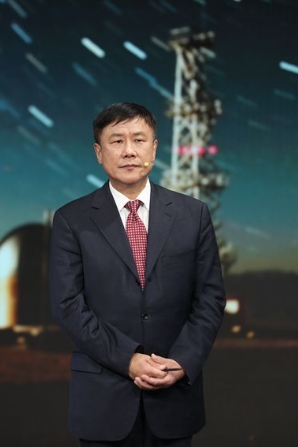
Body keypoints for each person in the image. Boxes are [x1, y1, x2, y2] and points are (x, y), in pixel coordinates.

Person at [49, 102, 226, 446]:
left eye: (139, 140)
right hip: (103, 399)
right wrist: (127, 359)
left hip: (174, 396)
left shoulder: (193, 215)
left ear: (154, 149)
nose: (129, 151)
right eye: (117, 141)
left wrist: (182, 361)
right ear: (99, 153)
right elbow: (67, 304)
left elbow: (210, 298)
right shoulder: (72, 219)